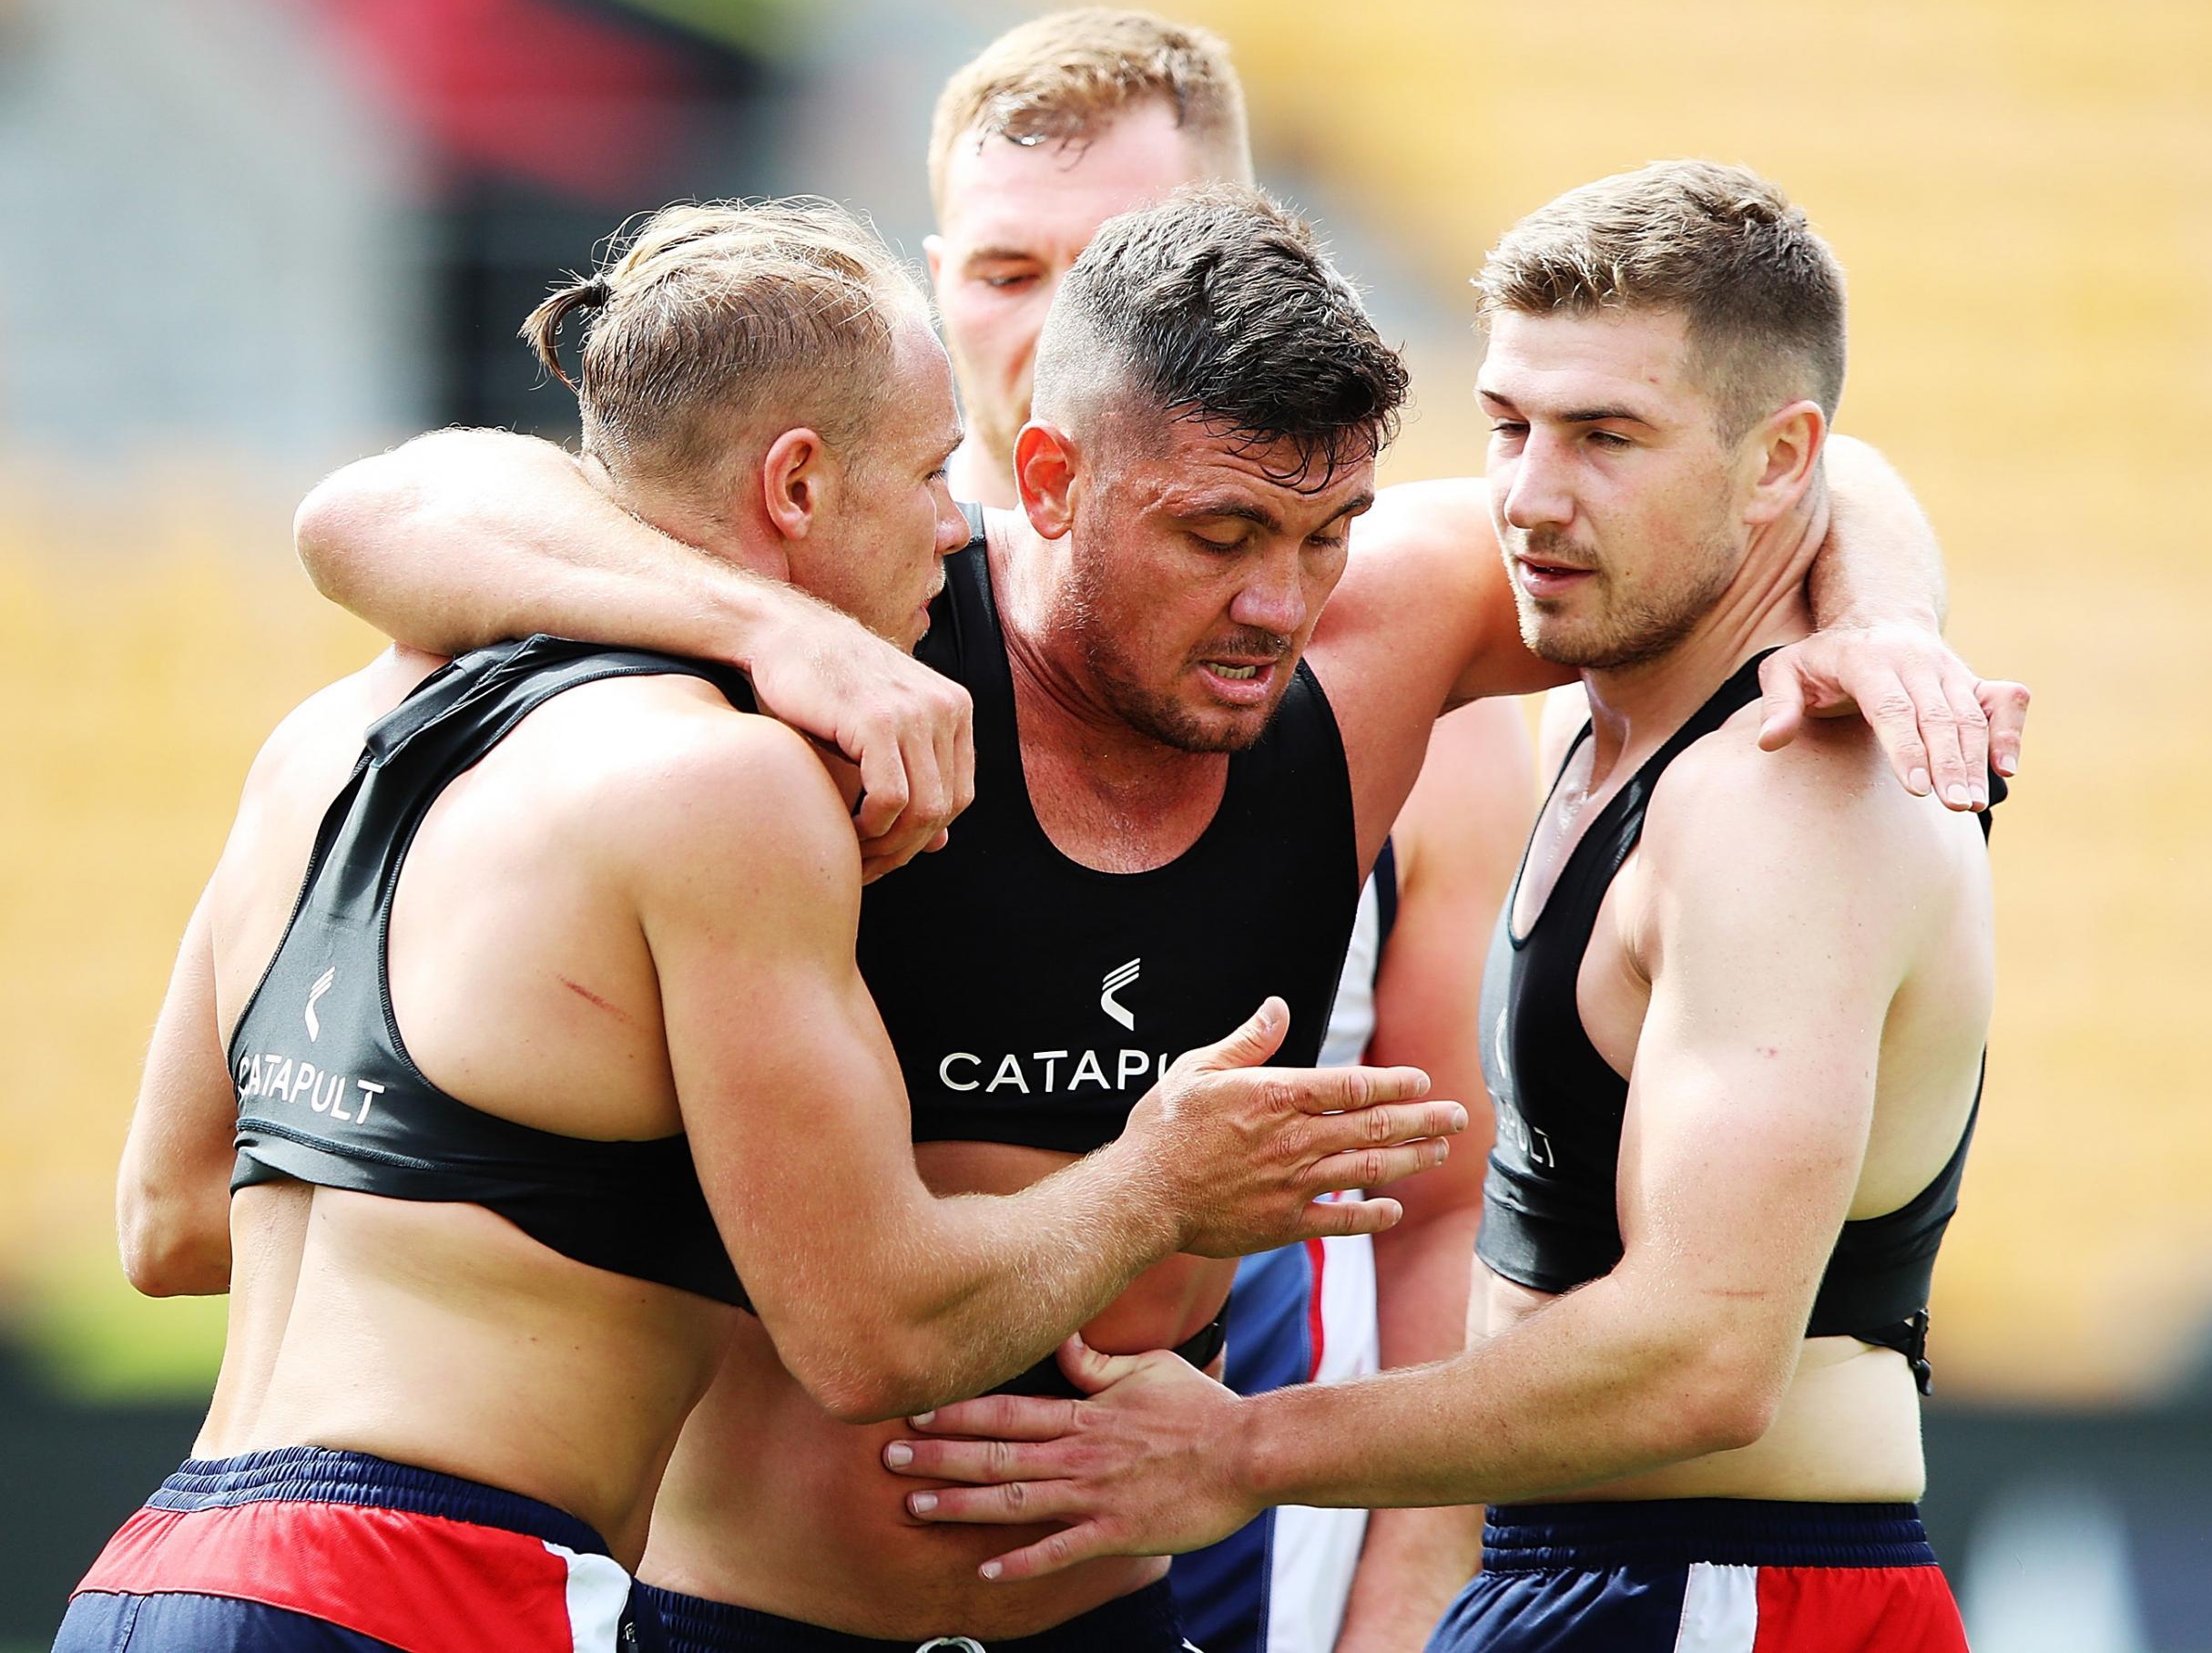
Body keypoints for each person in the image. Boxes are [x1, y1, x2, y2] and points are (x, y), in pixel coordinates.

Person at [292, 173, 2018, 1651]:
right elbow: (378, 512)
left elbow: (1782, 476)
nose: (1277, 599)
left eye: (1325, 529)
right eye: (1217, 537)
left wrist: (1887, 618)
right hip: (755, 1611)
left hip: (1114, 1616)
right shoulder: (864, 621)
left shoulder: (1372, 630)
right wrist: (774, 637)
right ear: (1045, 484)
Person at [58, 199, 1464, 1652]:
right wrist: (1160, 1186)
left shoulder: (337, 731)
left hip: (169, 1565)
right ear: (796, 485)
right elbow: (872, 1339)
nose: (948, 525)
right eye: (929, 474)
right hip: (443, 1590)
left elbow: (170, 1222)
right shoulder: (730, 781)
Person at [879, 162, 2007, 1653]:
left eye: (1606, 437)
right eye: (1510, 426)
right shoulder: (1598, 712)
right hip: (1585, 1564)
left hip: (1739, 1580)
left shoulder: (1790, 785)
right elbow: (464, 513)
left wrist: (1241, 1451)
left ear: (1772, 466)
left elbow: (1704, 1363)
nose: (1533, 496)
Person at [923, 10, 1531, 1649]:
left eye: (1122, 258)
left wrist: (1397, 1622)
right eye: (1002, 269)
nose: (1060, 321)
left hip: (1257, 1522)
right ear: (932, 284)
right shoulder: (811, 629)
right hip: (814, 1556)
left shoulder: (1385, 670)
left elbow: (1449, 1212)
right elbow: (397, 520)